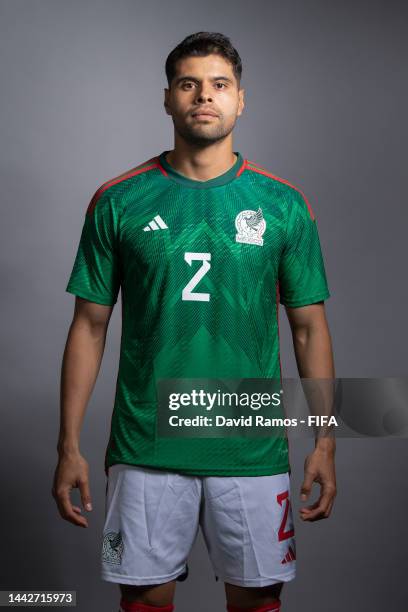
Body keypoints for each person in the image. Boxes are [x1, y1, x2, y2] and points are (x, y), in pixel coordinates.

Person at [52, 31, 337, 612]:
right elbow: (88, 327)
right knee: (145, 602)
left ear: (240, 100)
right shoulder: (118, 200)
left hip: (251, 446)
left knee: (258, 603)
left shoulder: (282, 203)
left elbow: (309, 329)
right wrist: (69, 445)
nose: (203, 97)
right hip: (146, 442)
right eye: (189, 84)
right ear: (167, 99)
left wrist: (325, 439)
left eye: (219, 85)